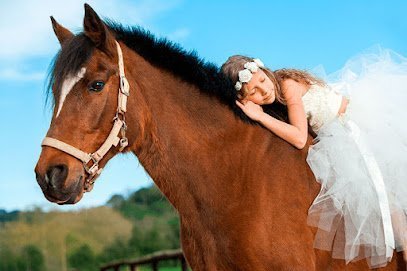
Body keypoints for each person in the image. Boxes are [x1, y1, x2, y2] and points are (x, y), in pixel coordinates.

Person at [221, 49, 407, 268]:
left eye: (262, 80)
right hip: (333, 139)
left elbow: (299, 138)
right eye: (254, 91)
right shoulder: (274, 105)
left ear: (265, 71)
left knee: (381, 182)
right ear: (245, 100)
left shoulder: (287, 84)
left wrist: (260, 116)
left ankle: (404, 246)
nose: (264, 90)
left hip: (352, 125)